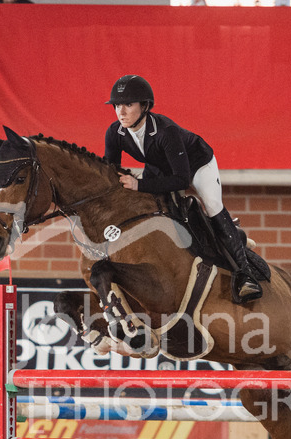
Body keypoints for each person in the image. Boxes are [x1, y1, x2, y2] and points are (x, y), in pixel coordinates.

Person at [103, 75, 262, 304]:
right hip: (159, 166)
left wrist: (139, 184)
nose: (121, 112)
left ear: (145, 106)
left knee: (212, 205)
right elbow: (111, 172)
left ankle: (245, 274)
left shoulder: (166, 131)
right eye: (117, 105)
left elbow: (181, 180)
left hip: (196, 164)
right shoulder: (115, 133)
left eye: (129, 104)